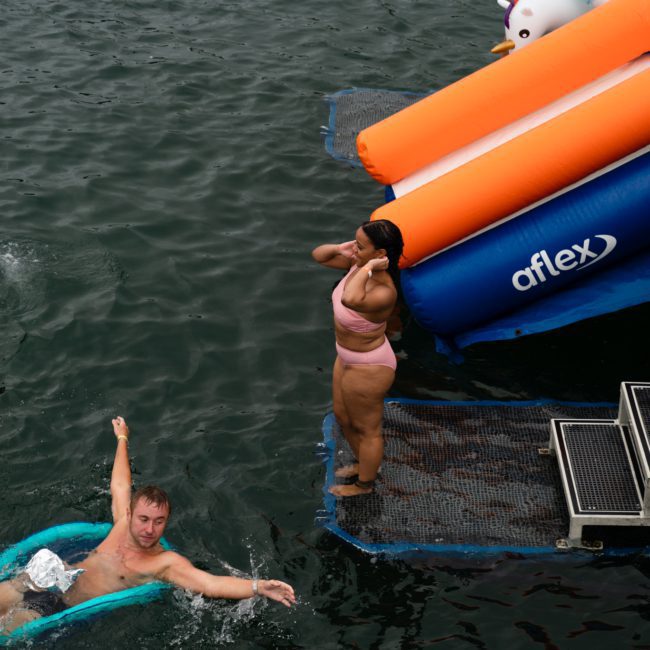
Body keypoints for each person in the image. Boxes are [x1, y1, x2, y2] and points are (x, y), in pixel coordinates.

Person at [0, 417, 295, 633]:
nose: (149, 529)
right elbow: (120, 484)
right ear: (132, 514)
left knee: (10, 629)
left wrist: (258, 587)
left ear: (166, 522)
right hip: (44, 579)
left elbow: (209, 583)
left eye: (158, 522)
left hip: (55, 607)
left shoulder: (163, 564)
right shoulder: (122, 523)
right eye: (143, 519)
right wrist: (122, 439)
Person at [312, 219, 404, 497]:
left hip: (370, 366)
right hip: (346, 358)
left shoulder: (383, 291)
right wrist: (344, 248)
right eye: (354, 241)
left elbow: (351, 300)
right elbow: (319, 255)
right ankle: (364, 465)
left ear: (380, 256)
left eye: (360, 246)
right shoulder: (357, 266)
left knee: (368, 428)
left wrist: (365, 267)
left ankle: (365, 485)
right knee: (343, 417)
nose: (354, 249)